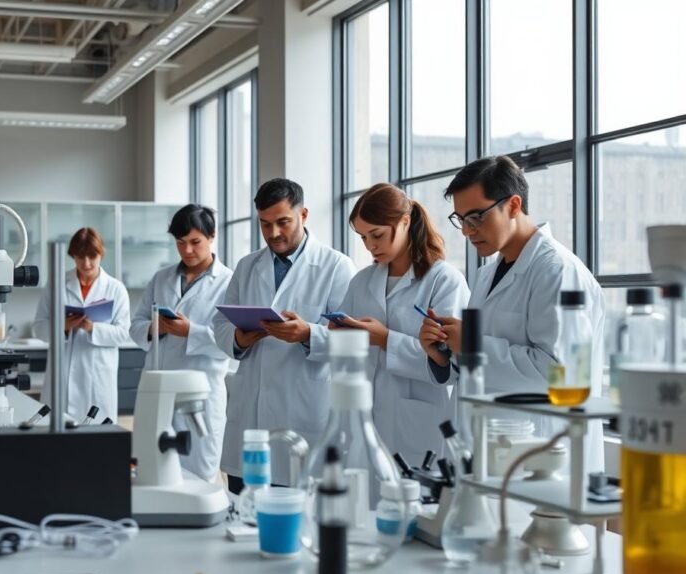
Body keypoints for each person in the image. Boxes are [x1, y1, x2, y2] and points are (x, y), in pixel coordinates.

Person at [418, 155, 605, 471]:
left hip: (539, 452)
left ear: (514, 205)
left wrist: (473, 344)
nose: (466, 231)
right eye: (460, 219)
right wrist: (442, 355)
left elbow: (559, 375)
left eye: (476, 217)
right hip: (489, 447)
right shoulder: (489, 273)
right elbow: (482, 367)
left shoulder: (556, 271)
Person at [213, 178, 356, 492]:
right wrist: (239, 339)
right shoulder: (247, 266)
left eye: (283, 222)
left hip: (303, 416)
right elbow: (219, 325)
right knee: (243, 515)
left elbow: (352, 342)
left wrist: (308, 334)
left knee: (298, 521)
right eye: (265, 224)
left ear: (303, 215)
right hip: (250, 420)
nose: (273, 233)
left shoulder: (335, 267)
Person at [329, 183, 470, 466]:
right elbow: (343, 352)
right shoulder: (361, 281)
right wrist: (343, 337)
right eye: (363, 237)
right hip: (364, 417)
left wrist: (385, 339)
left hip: (418, 424)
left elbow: (452, 366)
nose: (370, 245)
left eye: (377, 235)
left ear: (404, 222)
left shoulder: (443, 280)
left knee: (411, 504)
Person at [129, 204, 233, 481]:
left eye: (195, 242)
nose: (187, 250)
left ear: (212, 236)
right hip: (157, 389)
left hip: (200, 395)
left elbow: (232, 340)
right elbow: (136, 325)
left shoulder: (229, 282)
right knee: (152, 469)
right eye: (180, 243)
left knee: (200, 475)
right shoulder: (161, 278)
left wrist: (190, 331)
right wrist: (155, 327)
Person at [33, 228, 131, 422]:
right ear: (73, 256)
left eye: (92, 256)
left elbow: (123, 334)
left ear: (101, 253)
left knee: (97, 441)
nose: (86, 263)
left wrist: (92, 328)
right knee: (58, 440)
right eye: (80, 257)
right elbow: (39, 328)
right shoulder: (56, 284)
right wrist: (62, 326)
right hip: (62, 377)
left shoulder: (115, 288)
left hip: (98, 379)